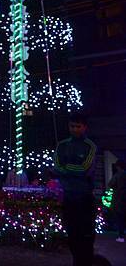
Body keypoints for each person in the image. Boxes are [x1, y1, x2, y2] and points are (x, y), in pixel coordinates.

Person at [54, 112, 97, 266]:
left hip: (84, 197)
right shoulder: (62, 145)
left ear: (84, 127)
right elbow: (57, 167)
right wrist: (72, 170)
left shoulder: (89, 146)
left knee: (86, 237)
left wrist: (67, 169)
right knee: (72, 237)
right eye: (72, 126)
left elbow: (85, 168)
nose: (74, 129)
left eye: (78, 126)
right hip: (68, 197)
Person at [108, 159, 126, 242]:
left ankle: (121, 236)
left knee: (120, 217)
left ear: (118, 166)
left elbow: (111, 184)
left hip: (119, 198)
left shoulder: (118, 175)